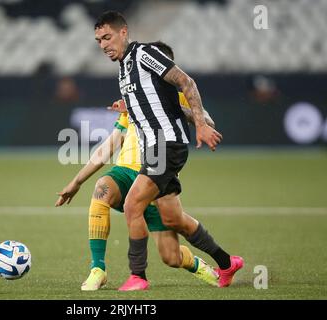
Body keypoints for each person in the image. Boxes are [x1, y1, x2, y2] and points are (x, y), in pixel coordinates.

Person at [94, 11, 243, 291]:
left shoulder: (144, 54)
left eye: (107, 37)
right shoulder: (124, 69)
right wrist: (130, 106)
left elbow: (187, 83)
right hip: (155, 148)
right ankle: (227, 263)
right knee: (174, 219)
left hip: (165, 146)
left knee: (132, 205)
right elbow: (156, 105)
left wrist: (200, 123)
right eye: (99, 40)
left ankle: (138, 276)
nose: (103, 45)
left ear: (123, 32)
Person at [56, 43, 218, 291]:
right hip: (125, 171)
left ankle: (199, 265)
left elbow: (206, 121)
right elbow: (111, 145)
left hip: (154, 175)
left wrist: (172, 105)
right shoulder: (133, 97)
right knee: (101, 190)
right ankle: (98, 269)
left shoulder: (179, 95)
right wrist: (76, 181)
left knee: (171, 257)